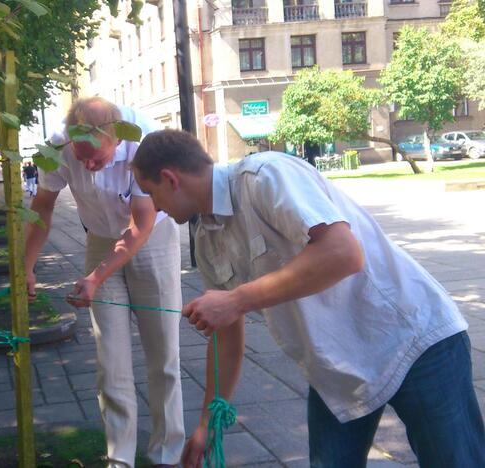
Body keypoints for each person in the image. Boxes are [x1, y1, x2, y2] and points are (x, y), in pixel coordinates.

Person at [130, 129, 485, 468]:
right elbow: (225, 334)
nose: (155, 208)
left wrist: (237, 299)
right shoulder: (207, 240)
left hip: (412, 338)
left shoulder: (265, 175)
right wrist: (209, 421)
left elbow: (343, 253)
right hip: (336, 364)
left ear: (170, 179)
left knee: (455, 461)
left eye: (151, 192)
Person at [25, 97, 184, 467]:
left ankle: (167, 454)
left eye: (97, 158)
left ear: (116, 137)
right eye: (81, 159)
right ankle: (120, 459)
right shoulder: (58, 146)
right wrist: (27, 265)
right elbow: (43, 207)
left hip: (152, 239)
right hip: (99, 238)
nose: (90, 167)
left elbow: (141, 223)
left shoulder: (144, 140)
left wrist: (96, 277)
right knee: (110, 359)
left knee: (163, 353)